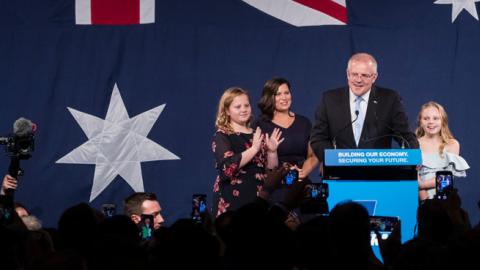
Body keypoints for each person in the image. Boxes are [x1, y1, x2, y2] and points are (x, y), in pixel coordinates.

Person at [310, 53, 419, 164]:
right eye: (354, 74)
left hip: (378, 174)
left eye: (364, 75)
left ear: (374, 77)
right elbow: (318, 138)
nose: (358, 80)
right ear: (347, 74)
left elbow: (405, 136)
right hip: (339, 173)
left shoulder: (389, 99)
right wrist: (335, 160)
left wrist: (414, 155)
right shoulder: (329, 99)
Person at [212, 87, 283, 217]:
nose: (244, 110)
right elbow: (227, 168)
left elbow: (271, 173)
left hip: (258, 200)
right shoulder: (222, 135)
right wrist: (254, 149)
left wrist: (272, 152)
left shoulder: (257, 134)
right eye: (237, 107)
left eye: (246, 105)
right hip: (232, 201)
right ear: (227, 110)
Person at [254, 77, 318, 179]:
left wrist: (303, 172)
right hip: (273, 182)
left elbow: (313, 156)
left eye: (286, 93)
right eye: (278, 94)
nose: (284, 97)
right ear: (269, 97)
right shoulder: (260, 125)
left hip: (299, 181)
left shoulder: (304, 123)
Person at [416, 101, 469, 201]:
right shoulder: (414, 144)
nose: (431, 122)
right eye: (426, 118)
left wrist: (422, 184)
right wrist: (425, 202)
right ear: (420, 122)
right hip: (420, 199)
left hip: (444, 200)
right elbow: (414, 176)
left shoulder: (452, 144)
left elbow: (447, 179)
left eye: (435, 118)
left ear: (443, 121)